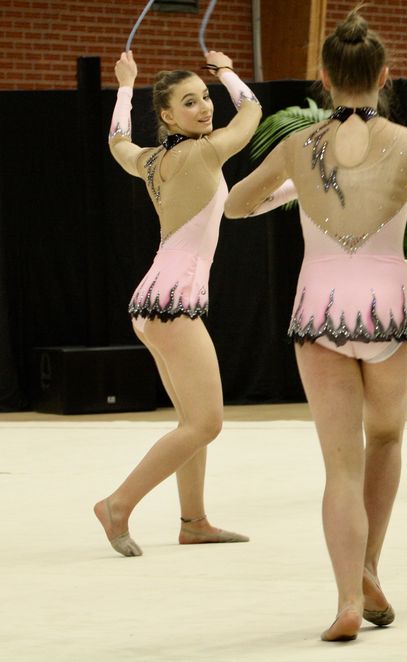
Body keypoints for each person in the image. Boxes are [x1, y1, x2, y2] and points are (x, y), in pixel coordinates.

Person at [225, 10, 407, 641]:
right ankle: (371, 566)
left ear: (325, 77)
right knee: (384, 441)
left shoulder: (299, 146)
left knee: (340, 467)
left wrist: (297, 188)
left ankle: (348, 599)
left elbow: (237, 205)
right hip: (386, 309)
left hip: (319, 309)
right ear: (384, 77)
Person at [93, 49, 262, 557]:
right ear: (168, 115)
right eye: (190, 102)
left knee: (191, 420)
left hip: (152, 303)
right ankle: (118, 504)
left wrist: (126, 85)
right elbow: (252, 112)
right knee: (206, 422)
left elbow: (117, 142)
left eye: (206, 97)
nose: (205, 107)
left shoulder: (150, 161)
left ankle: (194, 521)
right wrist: (227, 72)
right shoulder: (204, 153)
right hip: (174, 304)